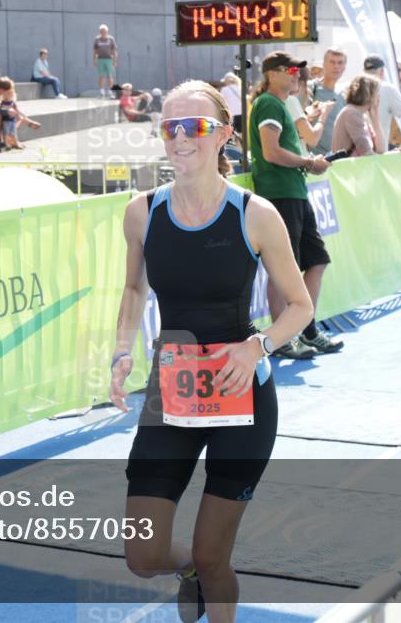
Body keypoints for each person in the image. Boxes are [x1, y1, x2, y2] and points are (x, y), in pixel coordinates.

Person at [110, 79, 314, 623]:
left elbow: (299, 307)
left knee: (213, 552)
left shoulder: (255, 213)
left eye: (195, 127)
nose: (181, 139)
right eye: (171, 127)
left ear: (223, 134)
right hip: (171, 393)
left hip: (242, 397)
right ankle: (189, 573)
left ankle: (208, 580)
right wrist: (121, 354)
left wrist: (257, 347)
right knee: (142, 554)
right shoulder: (141, 212)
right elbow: (133, 290)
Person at [250, 51, 341, 359]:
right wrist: (308, 162)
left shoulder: (277, 105)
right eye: (289, 70)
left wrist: (306, 164)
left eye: (298, 72)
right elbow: (271, 152)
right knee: (281, 269)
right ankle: (281, 338)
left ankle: (305, 328)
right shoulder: (268, 103)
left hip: (293, 193)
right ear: (272, 74)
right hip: (280, 195)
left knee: (317, 260)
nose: (295, 76)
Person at [330, 75, 385, 156]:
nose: (379, 97)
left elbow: (381, 149)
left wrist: (375, 119)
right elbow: (366, 152)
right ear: (369, 95)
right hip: (348, 168)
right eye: (377, 93)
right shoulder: (351, 113)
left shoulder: (361, 115)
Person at [309, 47, 347, 156]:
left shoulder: (345, 93)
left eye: (340, 63)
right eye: (332, 62)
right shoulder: (311, 88)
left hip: (337, 159)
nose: (336, 66)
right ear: (324, 64)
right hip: (313, 160)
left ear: (344, 67)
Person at [286, 67, 333, 154]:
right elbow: (312, 139)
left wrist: (307, 116)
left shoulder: (277, 99)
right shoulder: (290, 100)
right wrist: (324, 114)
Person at [0, 77, 40, 149]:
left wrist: (24, 117)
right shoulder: (2, 102)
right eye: (8, 93)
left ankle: (15, 142)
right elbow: (2, 110)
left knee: (13, 132)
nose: (9, 94)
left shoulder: (12, 102)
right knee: (6, 132)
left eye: (11, 93)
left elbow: (18, 111)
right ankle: (7, 143)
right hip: (5, 121)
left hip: (12, 121)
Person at [93, 24, 118, 99]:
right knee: (101, 76)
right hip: (100, 59)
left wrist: (114, 61)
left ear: (107, 31)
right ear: (100, 32)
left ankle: (110, 93)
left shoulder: (111, 39)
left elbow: (114, 51)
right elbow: (95, 51)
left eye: (104, 31)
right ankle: (101, 92)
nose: (103, 32)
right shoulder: (97, 39)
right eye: (101, 31)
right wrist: (94, 60)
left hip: (109, 59)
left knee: (110, 76)